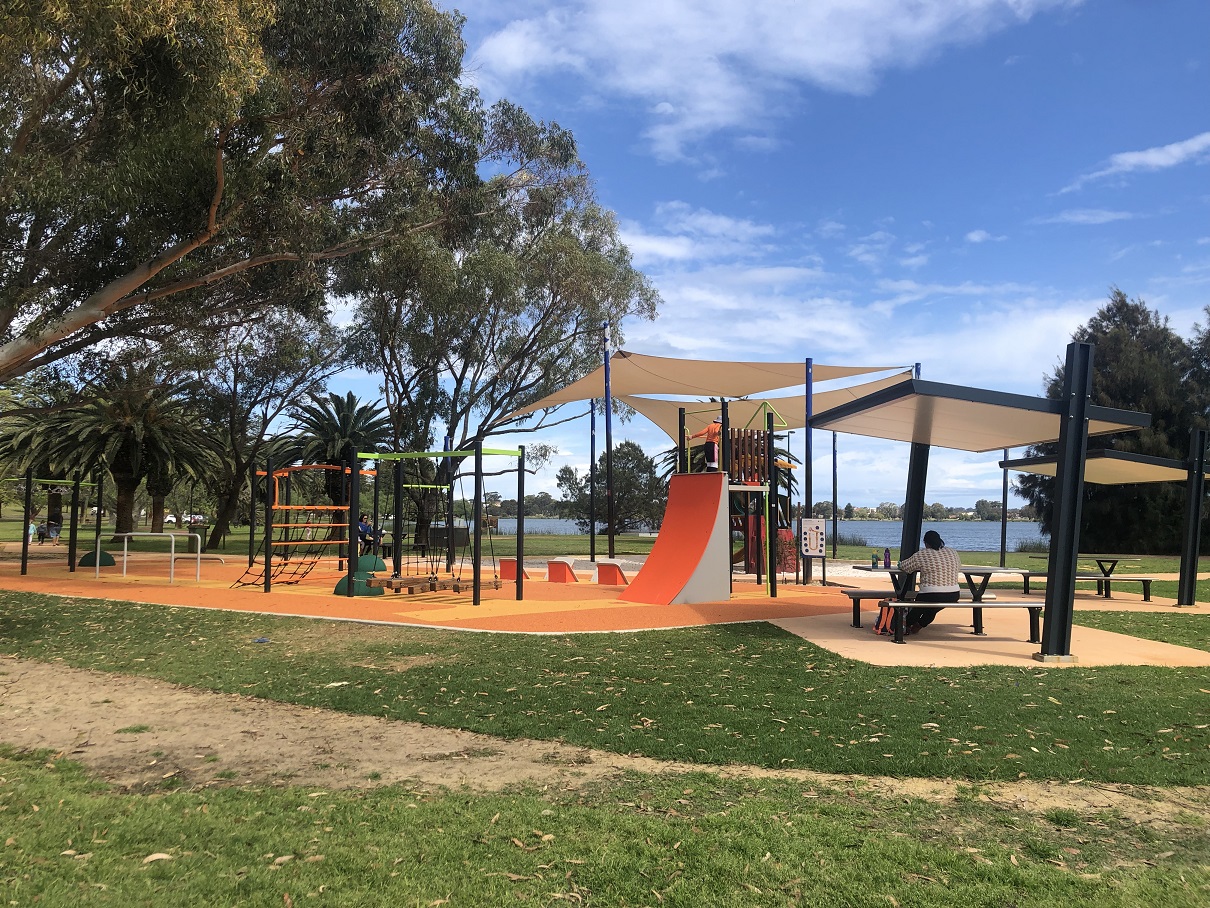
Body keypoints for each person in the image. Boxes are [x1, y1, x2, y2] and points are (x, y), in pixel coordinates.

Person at [897, 529, 961, 635]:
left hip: (931, 593)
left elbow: (905, 567)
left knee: (919, 608)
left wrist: (899, 564)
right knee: (932, 609)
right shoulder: (952, 552)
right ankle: (920, 624)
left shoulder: (923, 554)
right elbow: (958, 567)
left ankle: (904, 626)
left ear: (926, 543)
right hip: (954, 593)